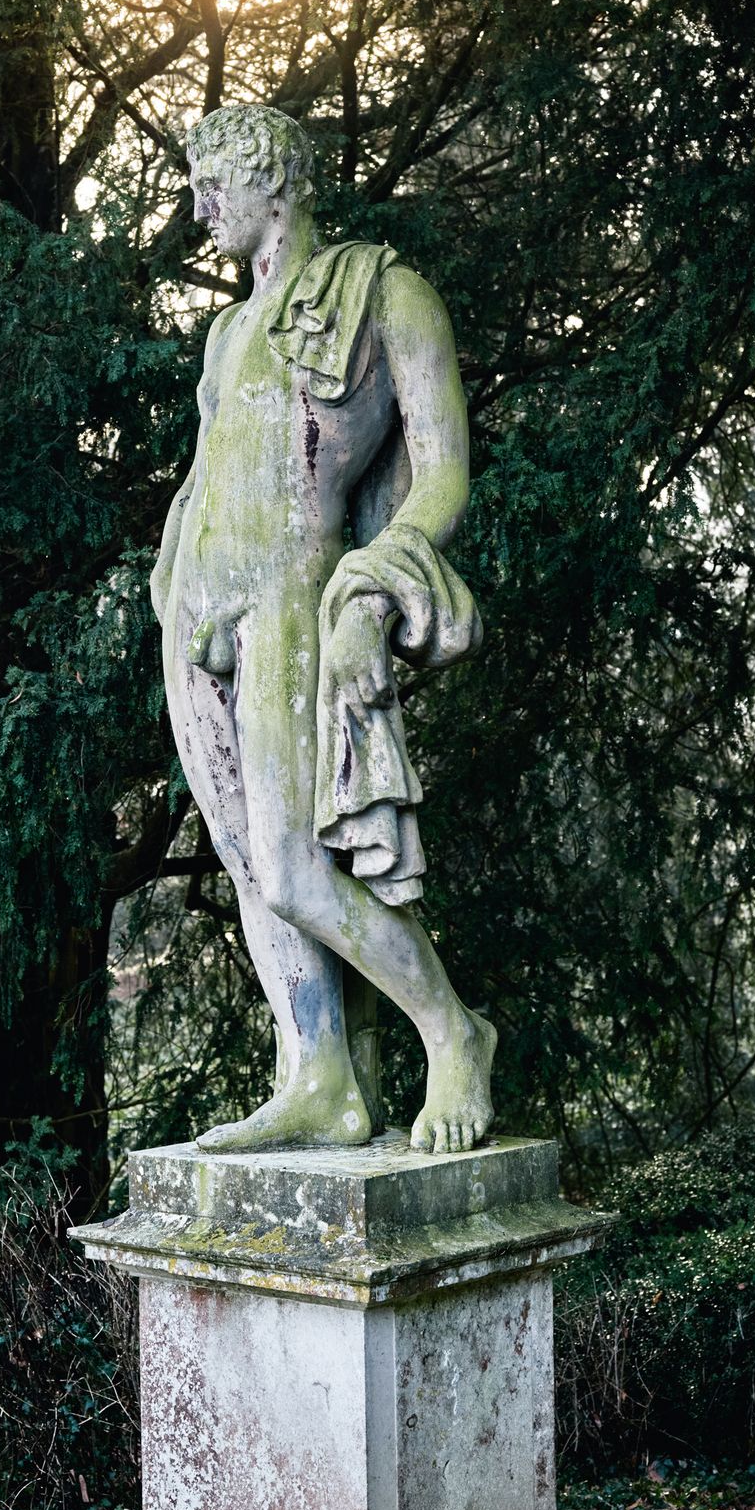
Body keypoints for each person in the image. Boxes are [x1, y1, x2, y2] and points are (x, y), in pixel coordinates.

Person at [152, 103, 496, 1154]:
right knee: (251, 868)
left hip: (295, 603)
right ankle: (319, 1074)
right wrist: (176, 592)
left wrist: (374, 596)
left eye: (215, 182)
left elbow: (439, 477)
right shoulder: (223, 334)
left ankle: (453, 1032)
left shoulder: (386, 294)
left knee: (298, 867)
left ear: (274, 179)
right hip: (196, 612)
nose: (199, 207)